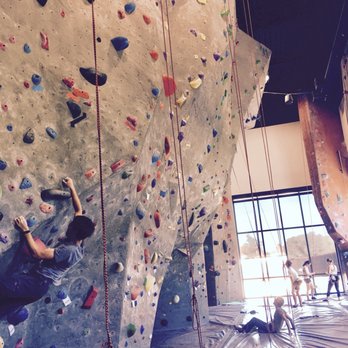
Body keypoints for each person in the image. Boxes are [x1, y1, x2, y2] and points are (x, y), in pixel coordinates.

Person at [0, 177, 95, 317]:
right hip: (37, 285)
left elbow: (37, 253)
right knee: (3, 306)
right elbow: (78, 209)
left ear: (76, 233)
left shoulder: (69, 250)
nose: (68, 226)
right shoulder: (80, 238)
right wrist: (72, 187)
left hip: (37, 283)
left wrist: (25, 229)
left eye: (71, 227)